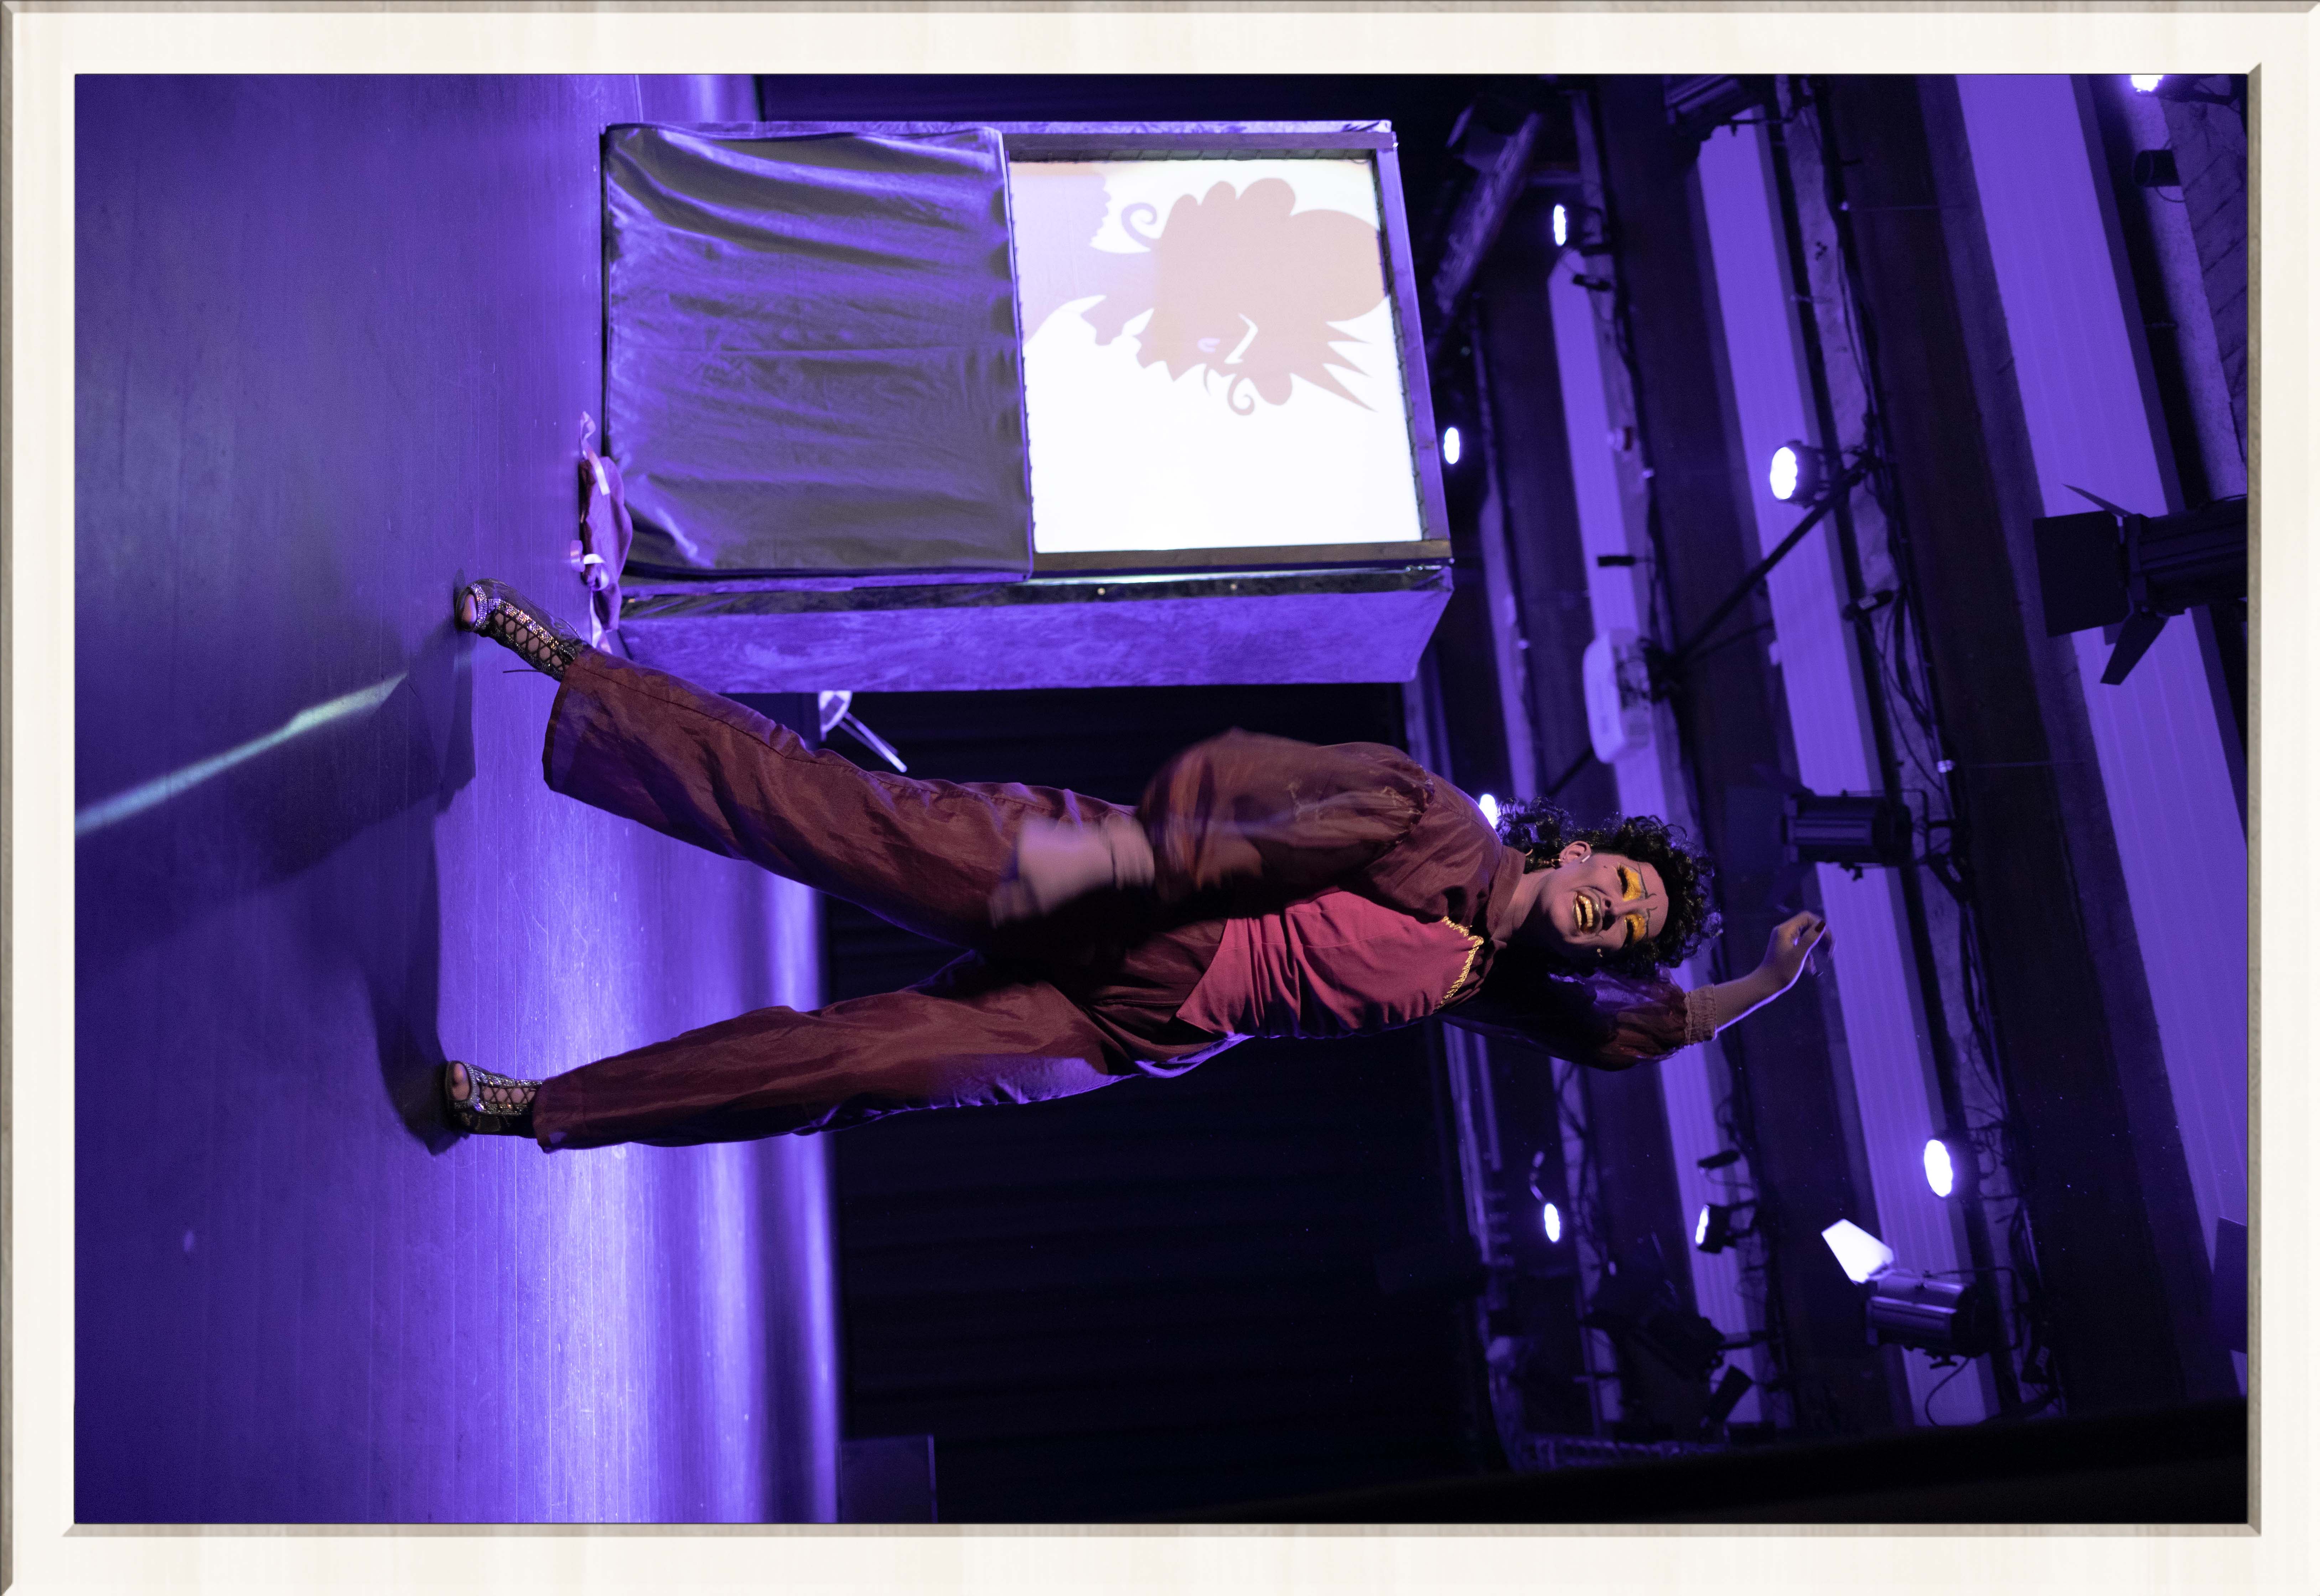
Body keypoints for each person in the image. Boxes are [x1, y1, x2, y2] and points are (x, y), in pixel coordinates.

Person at [444, 579, 1830, 1150]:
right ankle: (581, 670)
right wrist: (1126, 862)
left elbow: (1641, 1032)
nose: (1602, 913)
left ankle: (541, 1107)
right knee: (824, 812)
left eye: (1619, 928)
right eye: (1616, 886)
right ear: (1579, 847)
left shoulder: (1491, 978)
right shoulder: (1430, 818)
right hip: (1110, 887)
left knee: (850, 1065)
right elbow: (1229, 779)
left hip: (1134, 1023)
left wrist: (1760, 985)